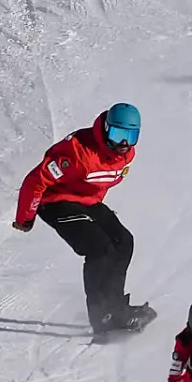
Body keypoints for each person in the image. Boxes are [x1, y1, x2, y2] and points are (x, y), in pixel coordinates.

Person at [12, 103, 148, 336]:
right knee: (99, 249)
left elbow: (99, 181)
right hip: (55, 202)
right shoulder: (75, 153)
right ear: (105, 129)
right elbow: (35, 181)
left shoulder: (126, 155)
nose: (123, 143)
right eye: (117, 134)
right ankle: (100, 315)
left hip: (87, 201)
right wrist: (26, 217)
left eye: (130, 136)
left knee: (123, 241)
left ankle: (116, 307)